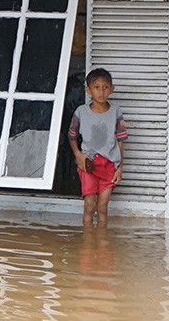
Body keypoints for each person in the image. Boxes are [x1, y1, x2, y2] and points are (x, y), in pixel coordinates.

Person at [67, 68, 128, 227]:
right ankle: (87, 240)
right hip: (88, 164)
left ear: (112, 89)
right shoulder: (81, 112)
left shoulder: (115, 111)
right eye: (96, 87)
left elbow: (121, 140)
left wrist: (120, 167)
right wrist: (78, 154)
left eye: (105, 87)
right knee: (89, 206)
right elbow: (72, 136)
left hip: (109, 165)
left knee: (102, 207)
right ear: (88, 90)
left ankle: (101, 240)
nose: (101, 92)